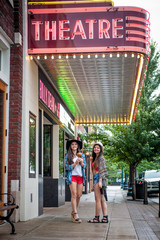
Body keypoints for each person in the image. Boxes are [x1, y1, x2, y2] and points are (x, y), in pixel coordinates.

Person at [65, 139, 86, 223]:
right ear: (70, 146)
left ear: (78, 146)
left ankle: (73, 212)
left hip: (80, 176)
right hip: (72, 176)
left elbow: (85, 167)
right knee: (74, 194)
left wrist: (81, 163)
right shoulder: (68, 156)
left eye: (75, 144)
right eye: (72, 144)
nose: (74, 146)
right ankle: (76, 213)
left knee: (79, 195)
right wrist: (75, 163)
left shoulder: (82, 155)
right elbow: (66, 168)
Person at [88, 142, 108, 223]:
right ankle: (105, 218)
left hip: (99, 179)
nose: (96, 149)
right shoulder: (95, 158)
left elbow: (102, 170)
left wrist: (100, 181)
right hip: (96, 178)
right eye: (95, 147)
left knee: (98, 200)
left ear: (101, 149)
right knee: (102, 199)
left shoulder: (101, 158)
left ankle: (96, 218)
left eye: (98, 148)